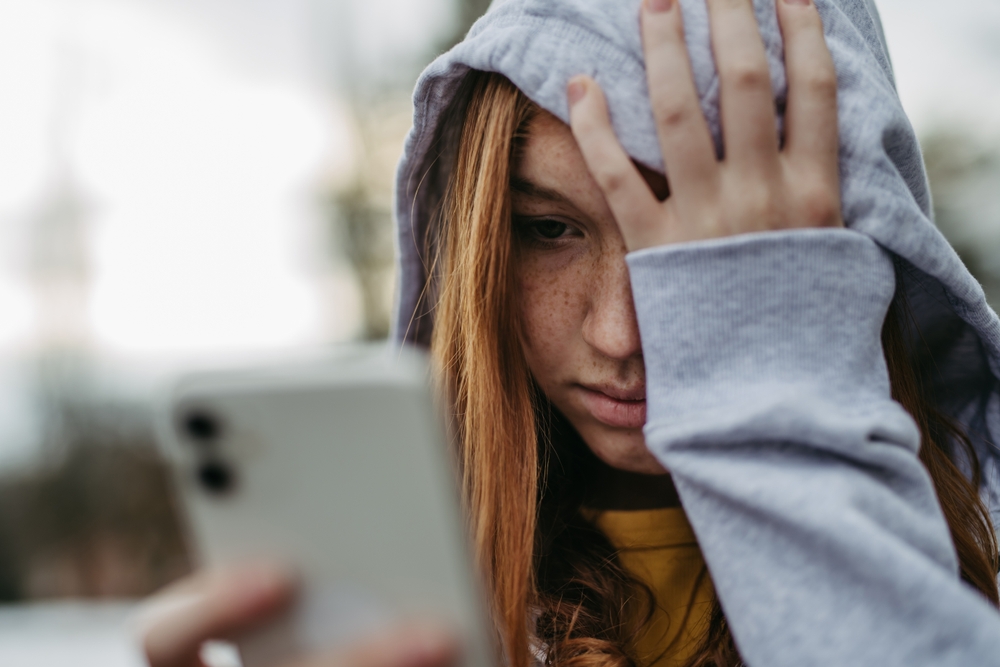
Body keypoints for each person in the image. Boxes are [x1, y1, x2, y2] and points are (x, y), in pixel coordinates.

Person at [142, 0, 1000, 665]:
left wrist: (770, 405)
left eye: (710, 254)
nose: (621, 334)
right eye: (549, 229)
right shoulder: (412, 600)